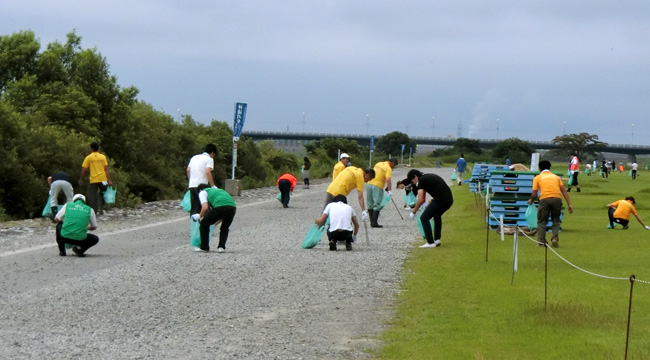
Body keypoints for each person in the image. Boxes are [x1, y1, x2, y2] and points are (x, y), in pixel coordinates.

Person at [527, 160, 573, 248]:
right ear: (549, 168)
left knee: (542, 221)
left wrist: (531, 200)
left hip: (544, 199)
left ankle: (541, 241)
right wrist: (569, 204)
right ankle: (555, 237)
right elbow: (564, 191)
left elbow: (534, 194)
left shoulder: (537, 178)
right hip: (557, 199)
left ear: (539, 168)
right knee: (556, 220)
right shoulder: (556, 177)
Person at [407, 169, 454, 248]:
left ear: (415, 177)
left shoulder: (421, 181)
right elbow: (427, 196)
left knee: (424, 218)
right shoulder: (427, 177)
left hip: (440, 200)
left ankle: (430, 242)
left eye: (412, 181)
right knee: (436, 215)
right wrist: (430, 202)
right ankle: (437, 239)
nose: (413, 183)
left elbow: (421, 199)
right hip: (448, 199)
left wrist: (414, 211)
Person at [195, 184, 237, 253]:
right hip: (232, 207)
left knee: (203, 224)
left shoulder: (202, 192)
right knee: (225, 227)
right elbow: (222, 216)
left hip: (219, 207)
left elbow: (205, 208)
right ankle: (221, 247)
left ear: (200, 190)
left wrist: (199, 216)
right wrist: (214, 224)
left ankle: (204, 247)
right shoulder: (218, 191)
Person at [79, 142, 112, 215]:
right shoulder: (102, 157)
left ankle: (93, 210)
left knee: (92, 195)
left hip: (94, 179)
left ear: (92, 148)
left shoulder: (89, 157)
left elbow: (83, 169)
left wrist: (81, 179)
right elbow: (106, 169)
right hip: (103, 179)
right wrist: (109, 179)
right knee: (103, 193)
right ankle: (100, 208)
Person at [187, 144, 217, 220]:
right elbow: (208, 172)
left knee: (194, 208)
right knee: (205, 207)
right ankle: (205, 228)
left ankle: (194, 228)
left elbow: (188, 170)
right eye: (214, 155)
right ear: (212, 153)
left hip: (192, 185)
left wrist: (191, 180)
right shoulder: (209, 159)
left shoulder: (194, 157)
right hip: (202, 186)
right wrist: (213, 185)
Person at [367, 158, 398, 227]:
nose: (393, 166)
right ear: (391, 162)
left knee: (370, 203)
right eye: (394, 165)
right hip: (378, 185)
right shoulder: (388, 168)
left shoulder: (378, 163)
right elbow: (388, 179)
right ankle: (374, 223)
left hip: (369, 184)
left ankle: (371, 221)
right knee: (377, 203)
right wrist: (389, 190)